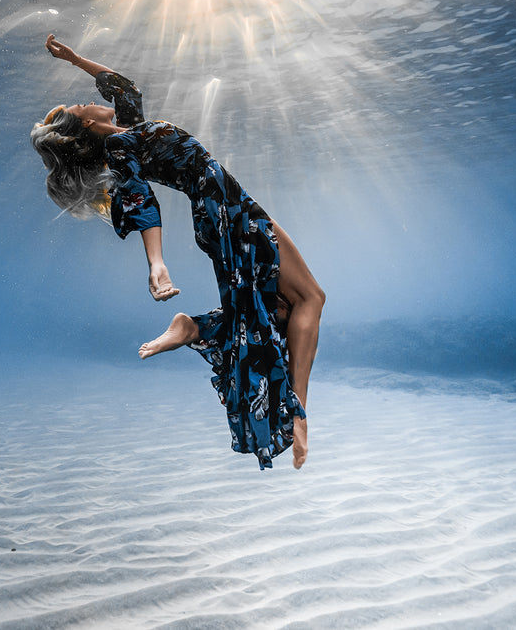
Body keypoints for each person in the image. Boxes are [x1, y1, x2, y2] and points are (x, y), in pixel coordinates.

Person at [31, 35, 324, 469]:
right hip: (225, 210)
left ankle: (194, 328)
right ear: (88, 126)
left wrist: (75, 59)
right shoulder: (119, 148)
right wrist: (157, 263)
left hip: (229, 204)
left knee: (278, 308)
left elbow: (124, 88)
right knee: (306, 300)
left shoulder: (126, 130)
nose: (86, 102)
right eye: (79, 107)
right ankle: (297, 412)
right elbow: (139, 199)